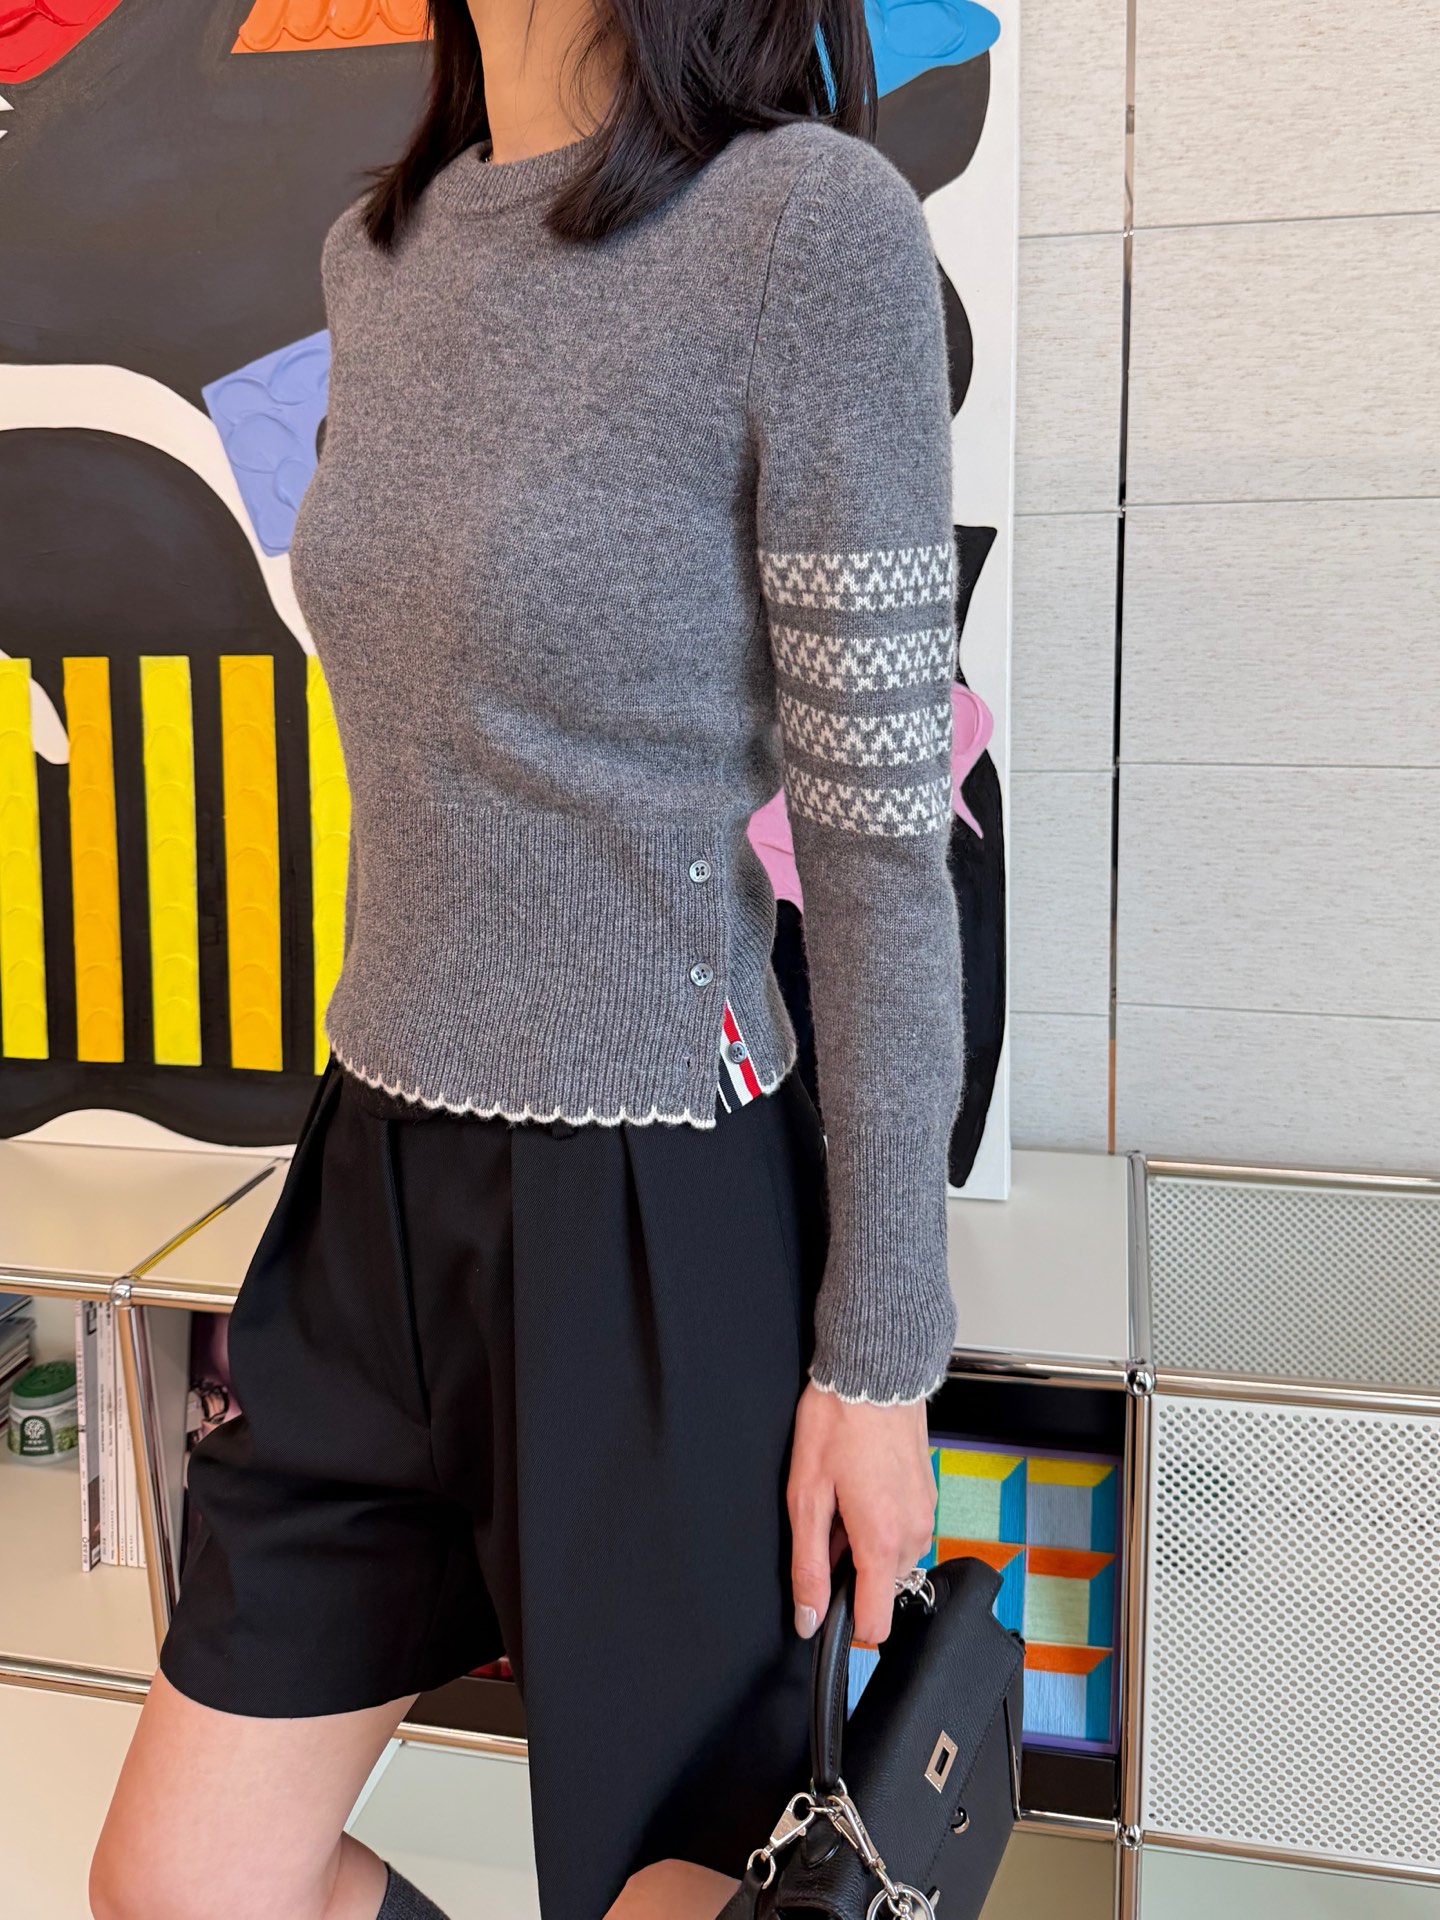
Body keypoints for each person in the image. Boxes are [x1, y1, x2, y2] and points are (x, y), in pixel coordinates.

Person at [89, 2, 965, 1916]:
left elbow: (880, 850)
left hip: (650, 1210)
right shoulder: (380, 253)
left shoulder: (804, 231)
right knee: (184, 1884)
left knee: (664, 1890)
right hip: (371, 1183)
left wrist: (883, 1357)